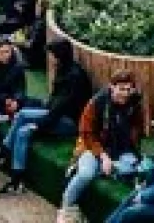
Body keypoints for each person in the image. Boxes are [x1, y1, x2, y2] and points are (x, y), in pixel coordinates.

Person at [0, 39, 93, 197]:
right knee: (22, 125)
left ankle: (4, 153)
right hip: (55, 113)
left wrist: (39, 125)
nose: (51, 58)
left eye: (53, 54)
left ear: (59, 55)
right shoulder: (63, 68)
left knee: (25, 123)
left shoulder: (75, 76)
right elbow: (55, 102)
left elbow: (61, 108)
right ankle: (16, 178)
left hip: (69, 122)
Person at [61, 71, 145, 215]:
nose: (125, 93)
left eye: (128, 89)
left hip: (120, 150)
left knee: (133, 168)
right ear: (112, 87)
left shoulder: (134, 103)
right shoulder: (96, 103)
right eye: (121, 89)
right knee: (86, 174)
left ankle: (103, 169)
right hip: (92, 147)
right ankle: (66, 208)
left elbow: (137, 129)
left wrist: (133, 149)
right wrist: (103, 156)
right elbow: (86, 134)